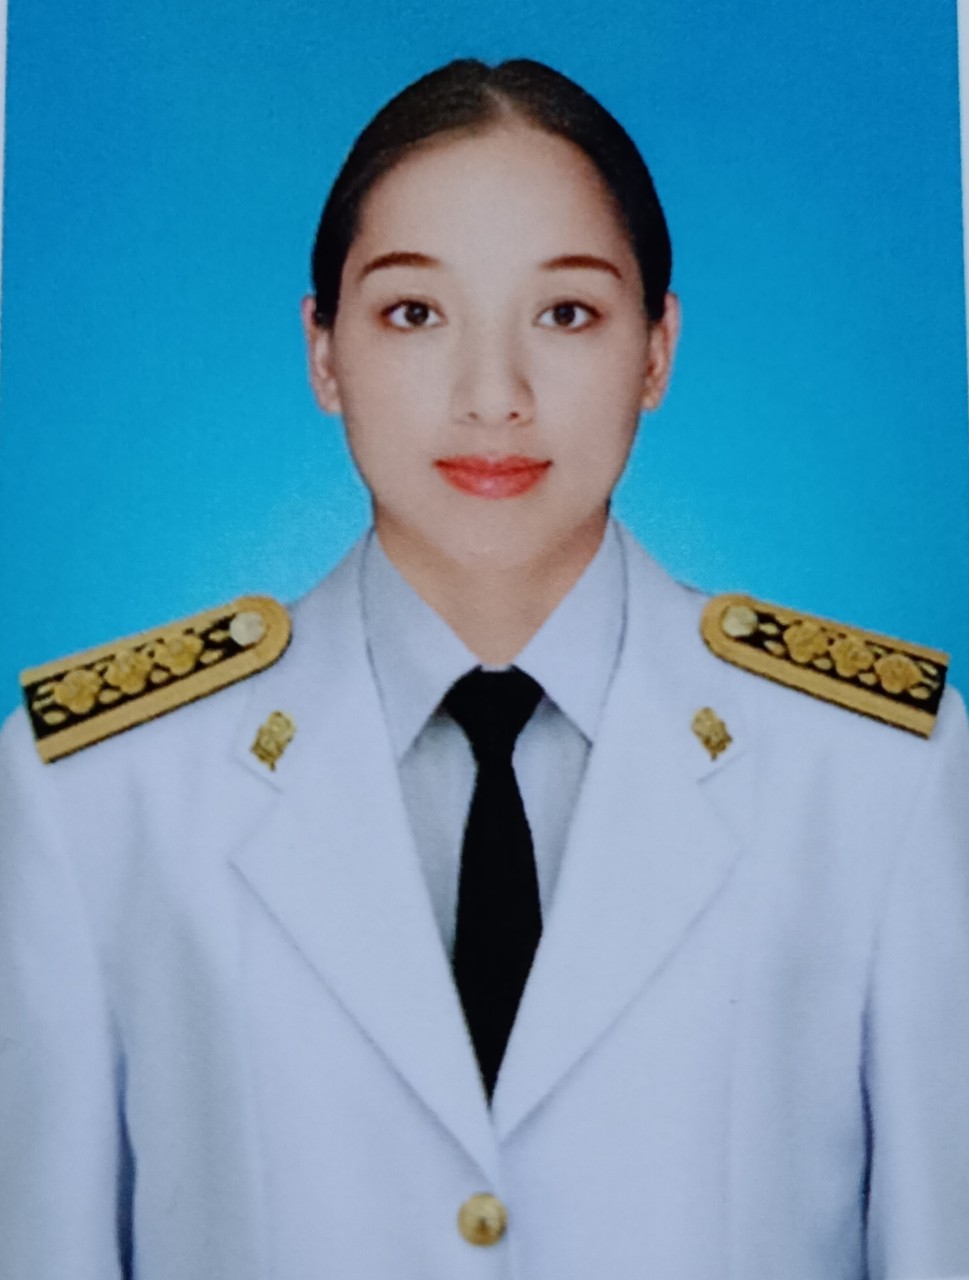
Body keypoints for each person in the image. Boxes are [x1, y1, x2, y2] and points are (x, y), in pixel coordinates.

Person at [1, 57, 967, 1280]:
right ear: (323, 351)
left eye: (566, 313)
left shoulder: (877, 773)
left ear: (657, 350)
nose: (493, 396)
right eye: (415, 312)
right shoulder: (100, 792)